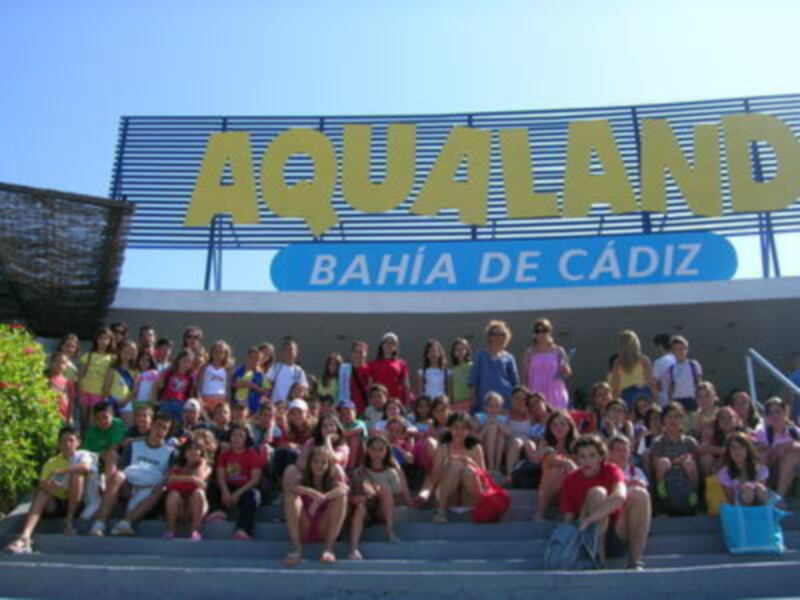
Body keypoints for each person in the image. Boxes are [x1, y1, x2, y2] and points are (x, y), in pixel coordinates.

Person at [560, 435, 651, 570]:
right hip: (588, 535)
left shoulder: (611, 470)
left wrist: (590, 519)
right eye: (582, 456)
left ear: (601, 457)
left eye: (592, 456)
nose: (587, 461)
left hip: (616, 531)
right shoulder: (570, 480)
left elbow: (620, 496)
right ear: (576, 459)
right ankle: (598, 562)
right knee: (597, 492)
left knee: (640, 494)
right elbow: (568, 519)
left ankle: (635, 561)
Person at [4, 427, 96, 553]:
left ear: (78, 442)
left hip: (77, 502)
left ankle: (68, 523)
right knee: (41, 493)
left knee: (77, 475)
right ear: (59, 444)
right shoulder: (52, 462)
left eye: (71, 440)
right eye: (64, 441)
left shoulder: (83, 455)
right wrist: (52, 486)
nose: (67, 444)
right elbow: (42, 484)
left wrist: (61, 472)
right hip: (56, 502)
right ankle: (25, 537)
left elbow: (85, 467)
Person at [89, 413, 174, 536]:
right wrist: (126, 487)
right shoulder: (134, 445)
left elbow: (167, 477)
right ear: (151, 425)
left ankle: (126, 523)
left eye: (165, 428)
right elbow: (123, 468)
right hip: (128, 487)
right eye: (158, 426)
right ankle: (99, 523)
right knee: (117, 475)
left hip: (150, 491)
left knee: (162, 487)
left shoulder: (170, 452)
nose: (160, 431)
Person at [348, 435, 415, 560]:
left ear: (386, 451)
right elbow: (352, 496)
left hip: (382, 511)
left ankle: (390, 532)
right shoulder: (360, 471)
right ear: (368, 450)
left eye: (380, 449)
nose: (377, 453)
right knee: (360, 508)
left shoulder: (391, 471)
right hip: (365, 510)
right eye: (373, 449)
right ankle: (354, 548)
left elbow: (397, 497)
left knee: (384, 488)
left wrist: (379, 492)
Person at [283, 447, 349, 565]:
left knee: (341, 498)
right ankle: (297, 549)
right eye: (316, 461)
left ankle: (328, 549)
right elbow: (290, 488)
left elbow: (345, 489)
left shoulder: (332, 481)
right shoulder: (302, 479)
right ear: (310, 463)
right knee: (291, 497)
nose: (319, 465)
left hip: (323, 528)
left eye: (324, 462)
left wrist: (323, 497)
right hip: (305, 526)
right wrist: (311, 492)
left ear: (329, 465)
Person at [431, 412, 486, 523]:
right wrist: (448, 466)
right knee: (456, 466)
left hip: (469, 496)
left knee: (468, 470)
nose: (459, 431)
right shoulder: (443, 448)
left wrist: (470, 463)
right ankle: (440, 512)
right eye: (456, 427)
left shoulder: (476, 448)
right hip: (448, 496)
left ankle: (481, 510)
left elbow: (484, 477)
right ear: (449, 429)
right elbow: (434, 478)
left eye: (463, 428)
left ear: (469, 431)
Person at [215, 423, 265, 540]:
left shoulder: (252, 454)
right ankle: (219, 511)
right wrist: (225, 491)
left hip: (245, 488)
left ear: (246, 439)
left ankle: (244, 530)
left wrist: (239, 493)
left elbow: (255, 479)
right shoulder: (224, 455)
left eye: (241, 436)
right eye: (234, 435)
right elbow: (220, 476)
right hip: (228, 487)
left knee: (254, 496)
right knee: (212, 487)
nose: (237, 438)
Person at [650, 402, 699, 510]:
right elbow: (655, 463)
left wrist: (685, 460)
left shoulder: (690, 441)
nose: (673, 420)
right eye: (669, 417)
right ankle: (660, 489)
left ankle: (693, 492)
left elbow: (696, 462)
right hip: (667, 475)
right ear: (663, 420)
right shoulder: (658, 442)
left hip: (686, 475)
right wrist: (675, 461)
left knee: (689, 463)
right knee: (663, 462)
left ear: (682, 419)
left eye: (676, 416)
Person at [533, 410, 578, 521]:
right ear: (550, 428)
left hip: (572, 487)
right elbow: (549, 460)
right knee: (556, 471)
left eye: (563, 424)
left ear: (569, 426)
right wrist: (568, 463)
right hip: (550, 488)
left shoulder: (577, 444)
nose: (559, 428)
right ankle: (540, 513)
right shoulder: (545, 443)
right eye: (555, 425)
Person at [164, 438, 212, 540]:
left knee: (199, 493)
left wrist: (202, 463)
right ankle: (171, 529)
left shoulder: (206, 468)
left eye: (197, 449)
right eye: (189, 449)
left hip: (196, 508)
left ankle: (196, 531)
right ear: (184, 452)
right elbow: (170, 480)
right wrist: (192, 479)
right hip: (180, 508)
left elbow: (200, 479)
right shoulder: (177, 466)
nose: (193, 452)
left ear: (201, 452)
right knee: (173, 494)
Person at [754, 397, 800, 498]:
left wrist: (787, 446)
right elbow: (762, 459)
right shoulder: (762, 432)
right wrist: (775, 452)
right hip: (769, 473)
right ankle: (762, 496)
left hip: (788, 471)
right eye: (771, 413)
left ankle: (779, 497)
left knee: (792, 455)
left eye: (778, 411)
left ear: (785, 413)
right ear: (766, 416)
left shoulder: (794, 431)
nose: (775, 416)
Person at [521, 318, 571, 411]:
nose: (541, 334)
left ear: (550, 332)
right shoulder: (529, 352)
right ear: (534, 334)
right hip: (536, 391)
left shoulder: (558, 350)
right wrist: (526, 395)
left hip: (555, 391)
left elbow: (567, 373)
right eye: (538, 331)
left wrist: (565, 369)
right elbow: (524, 376)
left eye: (544, 331)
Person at [469, 320, 519, 412]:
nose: (496, 337)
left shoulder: (509, 357)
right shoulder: (480, 355)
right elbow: (473, 380)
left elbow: (514, 382)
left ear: (505, 337)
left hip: (504, 399)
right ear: (489, 336)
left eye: (500, 334)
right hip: (484, 399)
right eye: (493, 334)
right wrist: (473, 398)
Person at [77, 327, 115, 430]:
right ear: (96, 339)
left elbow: (109, 377)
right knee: (82, 420)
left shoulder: (111, 358)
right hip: (85, 391)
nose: (103, 341)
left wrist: (105, 394)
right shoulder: (88, 355)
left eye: (106, 339)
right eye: (101, 338)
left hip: (98, 393)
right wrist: (79, 392)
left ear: (110, 341)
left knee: (92, 421)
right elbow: (81, 375)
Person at [717, 432, 769, 505]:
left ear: (747, 450)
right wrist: (742, 489)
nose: (737, 451)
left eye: (741, 447)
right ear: (729, 451)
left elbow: (761, 490)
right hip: (738, 507)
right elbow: (730, 498)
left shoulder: (760, 469)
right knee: (748, 492)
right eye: (734, 448)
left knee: (760, 490)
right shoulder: (725, 473)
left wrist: (752, 486)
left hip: (758, 504)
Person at [609, 330, 656, 409]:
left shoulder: (617, 362)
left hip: (626, 395)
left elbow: (615, 385)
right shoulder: (644, 360)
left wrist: (615, 401)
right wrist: (655, 397)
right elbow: (650, 381)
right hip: (642, 394)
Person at [82, 401, 126, 480]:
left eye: (105, 417)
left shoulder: (117, 424)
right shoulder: (91, 430)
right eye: (98, 419)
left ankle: (107, 487)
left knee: (111, 455)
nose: (102, 422)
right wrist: (99, 454)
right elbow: (85, 452)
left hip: (115, 457)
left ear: (112, 415)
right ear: (95, 419)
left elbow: (114, 447)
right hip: (95, 459)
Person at [368, 332, 412, 407]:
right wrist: (369, 402)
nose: (389, 345)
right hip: (379, 401)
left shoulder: (401, 363)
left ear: (396, 347)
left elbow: (406, 384)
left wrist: (408, 402)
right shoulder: (372, 364)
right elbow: (370, 385)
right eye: (386, 342)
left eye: (392, 343)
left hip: (396, 400)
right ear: (382, 345)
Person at [103, 339, 138, 427]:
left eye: (130, 353)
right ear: (120, 352)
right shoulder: (112, 369)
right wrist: (113, 401)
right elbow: (105, 388)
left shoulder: (135, 371)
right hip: (111, 401)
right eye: (124, 352)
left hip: (127, 402)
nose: (126, 355)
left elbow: (134, 390)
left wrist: (125, 401)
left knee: (128, 426)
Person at [195, 340, 233, 417]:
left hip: (220, 399)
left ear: (225, 354)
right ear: (211, 353)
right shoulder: (205, 367)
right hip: (206, 398)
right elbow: (199, 385)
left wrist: (228, 402)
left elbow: (227, 387)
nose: (218, 355)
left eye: (221, 352)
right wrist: (199, 398)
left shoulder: (227, 370)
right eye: (216, 352)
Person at [665, 336, 703, 412]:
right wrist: (670, 403)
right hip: (677, 401)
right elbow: (670, 388)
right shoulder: (671, 369)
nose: (680, 352)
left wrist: (700, 401)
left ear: (687, 350)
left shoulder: (694, 365)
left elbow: (699, 383)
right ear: (672, 351)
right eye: (676, 349)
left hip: (692, 399)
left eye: (682, 349)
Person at [154, 350, 195, 422]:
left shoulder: (190, 377)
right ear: (178, 360)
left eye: (189, 362)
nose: (186, 364)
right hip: (167, 402)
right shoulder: (170, 372)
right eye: (184, 360)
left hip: (181, 404)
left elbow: (191, 392)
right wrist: (154, 401)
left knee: (178, 425)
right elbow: (156, 385)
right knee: (162, 422)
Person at [267, 339, 309, 404]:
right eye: (286, 349)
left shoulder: (299, 371)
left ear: (296, 352)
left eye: (291, 349)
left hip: (292, 407)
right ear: (282, 352)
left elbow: (304, 389)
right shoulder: (276, 368)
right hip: (276, 406)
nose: (289, 352)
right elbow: (267, 384)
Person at [232, 347, 268, 415]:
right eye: (252, 358)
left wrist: (255, 387)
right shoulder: (238, 370)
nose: (255, 361)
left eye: (257, 359)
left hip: (255, 408)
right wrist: (243, 384)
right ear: (247, 357)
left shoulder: (260, 374)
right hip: (240, 407)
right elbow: (231, 384)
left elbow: (266, 390)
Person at [337, 340, 370, 415]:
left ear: (366, 354)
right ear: (351, 354)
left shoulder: (370, 369)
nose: (357, 354)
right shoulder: (344, 369)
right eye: (355, 351)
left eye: (361, 352)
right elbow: (341, 390)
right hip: (349, 411)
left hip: (366, 410)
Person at [49, 352, 76, 424]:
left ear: (66, 366)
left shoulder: (68, 382)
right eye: (57, 361)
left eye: (63, 363)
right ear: (51, 362)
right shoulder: (45, 379)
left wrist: (70, 417)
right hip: (49, 415)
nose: (59, 365)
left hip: (64, 415)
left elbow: (71, 401)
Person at [650, 333, 676, 407]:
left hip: (665, 400)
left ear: (660, 346)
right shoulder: (678, 360)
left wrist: (659, 399)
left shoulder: (659, 362)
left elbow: (653, 384)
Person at [449, 338, 473, 409]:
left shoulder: (472, 366)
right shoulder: (453, 369)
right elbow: (451, 387)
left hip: (469, 401)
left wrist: (473, 399)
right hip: (457, 402)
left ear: (467, 350)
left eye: (462, 349)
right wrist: (451, 402)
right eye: (457, 349)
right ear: (453, 352)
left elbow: (475, 385)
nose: (459, 351)